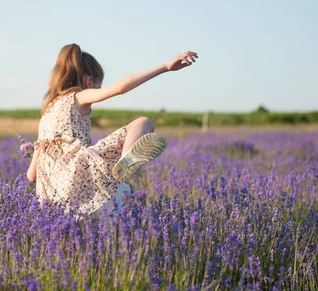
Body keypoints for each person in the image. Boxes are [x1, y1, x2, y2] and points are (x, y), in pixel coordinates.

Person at [26, 43, 198, 216]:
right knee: (143, 123)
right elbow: (121, 88)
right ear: (89, 81)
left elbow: (31, 176)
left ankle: (124, 166)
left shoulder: (46, 113)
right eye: (98, 87)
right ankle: (125, 162)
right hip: (82, 170)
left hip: (56, 194)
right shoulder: (78, 96)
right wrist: (164, 67)